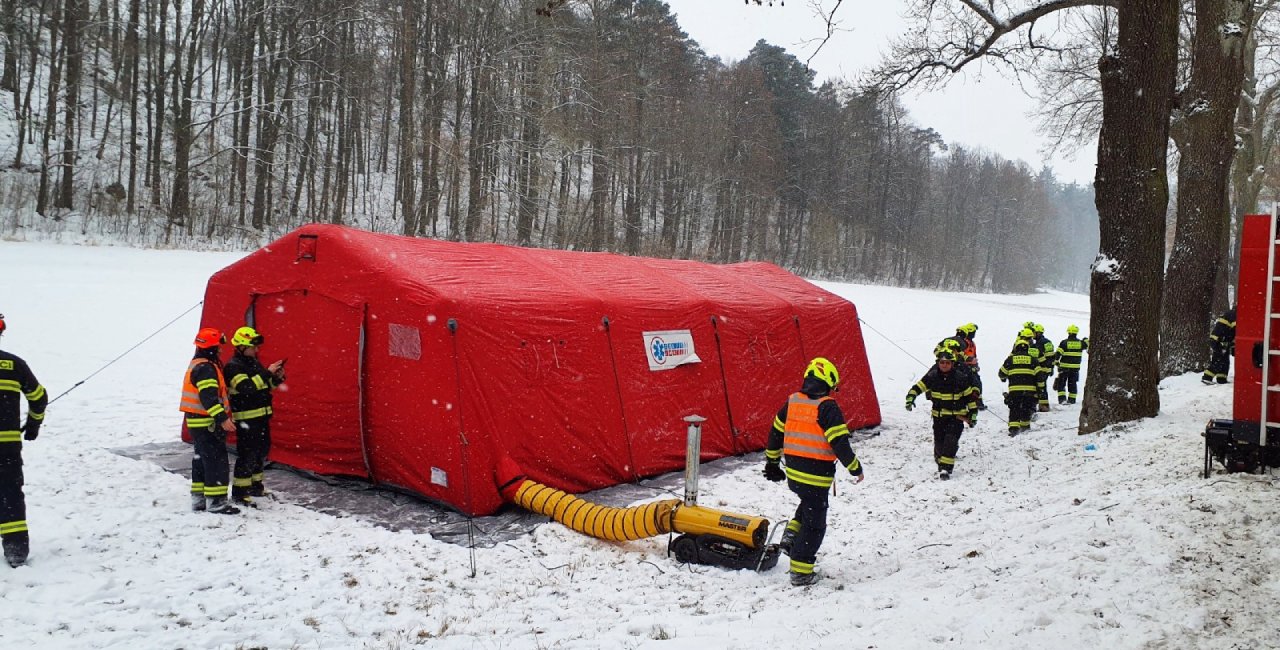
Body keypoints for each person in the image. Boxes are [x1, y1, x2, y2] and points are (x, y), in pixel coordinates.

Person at [763, 357, 864, 587]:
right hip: (816, 476)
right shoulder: (827, 407)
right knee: (816, 525)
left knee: (808, 504)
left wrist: (771, 462)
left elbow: (776, 431)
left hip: (795, 475)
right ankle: (801, 571)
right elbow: (839, 442)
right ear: (828, 383)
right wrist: (854, 467)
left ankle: (790, 537)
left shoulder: (793, 401)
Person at [0, 314, 48, 567]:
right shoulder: (14, 364)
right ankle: (16, 549)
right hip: (6, 446)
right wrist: (32, 425)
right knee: (9, 493)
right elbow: (39, 396)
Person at [180, 327, 239, 515]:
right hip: (207, 422)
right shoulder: (206, 368)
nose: (221, 350)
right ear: (212, 348)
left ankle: (199, 498)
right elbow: (209, 397)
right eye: (219, 346)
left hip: (197, 421)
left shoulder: (198, 363)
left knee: (201, 459)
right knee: (216, 460)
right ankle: (217, 502)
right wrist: (222, 418)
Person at [224, 326, 285, 508]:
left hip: (261, 418)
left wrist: (276, 378)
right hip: (246, 420)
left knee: (260, 453)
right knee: (247, 455)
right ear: (241, 346)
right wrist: (267, 372)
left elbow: (263, 387)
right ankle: (240, 494)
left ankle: (255, 487)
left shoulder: (253, 362)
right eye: (253, 346)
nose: (256, 349)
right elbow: (247, 387)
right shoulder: (233, 367)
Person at [905, 350, 978, 479]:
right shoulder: (932, 376)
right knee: (940, 443)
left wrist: (973, 414)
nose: (944, 365)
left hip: (956, 417)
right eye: (942, 362)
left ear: (952, 364)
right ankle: (941, 459)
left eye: (947, 363)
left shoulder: (960, 378)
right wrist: (911, 398)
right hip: (938, 418)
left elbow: (970, 398)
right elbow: (918, 387)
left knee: (951, 440)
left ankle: (945, 469)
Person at [999, 331, 1042, 437]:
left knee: (1014, 409)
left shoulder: (1010, 359)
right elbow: (1040, 376)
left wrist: (1004, 377)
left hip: (1015, 391)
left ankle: (1014, 429)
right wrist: (1040, 390)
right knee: (1026, 409)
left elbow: (1001, 373)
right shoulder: (1033, 360)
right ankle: (1025, 427)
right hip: (1029, 391)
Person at [1053, 325, 1089, 404]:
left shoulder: (1064, 342)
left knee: (1061, 384)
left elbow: (1058, 354)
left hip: (1064, 368)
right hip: (1075, 368)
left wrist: (1056, 362)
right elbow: (1087, 344)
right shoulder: (1080, 343)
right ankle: (1072, 400)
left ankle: (1062, 399)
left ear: (1069, 332)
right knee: (1072, 384)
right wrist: (1085, 339)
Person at [1202, 306, 1237, 385]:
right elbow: (1237, 329)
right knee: (1219, 360)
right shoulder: (1235, 315)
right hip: (1220, 340)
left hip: (1222, 340)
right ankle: (1207, 377)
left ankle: (1222, 379)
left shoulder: (1231, 313)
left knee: (1224, 360)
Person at [1031, 323, 1056, 412]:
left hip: (1043, 368)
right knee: (1041, 387)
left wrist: (1049, 367)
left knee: (1040, 387)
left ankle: (1043, 406)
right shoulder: (1039, 342)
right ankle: (1043, 405)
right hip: (1041, 368)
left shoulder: (1044, 342)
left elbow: (1050, 356)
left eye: (1034, 332)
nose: (1033, 334)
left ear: (1039, 333)